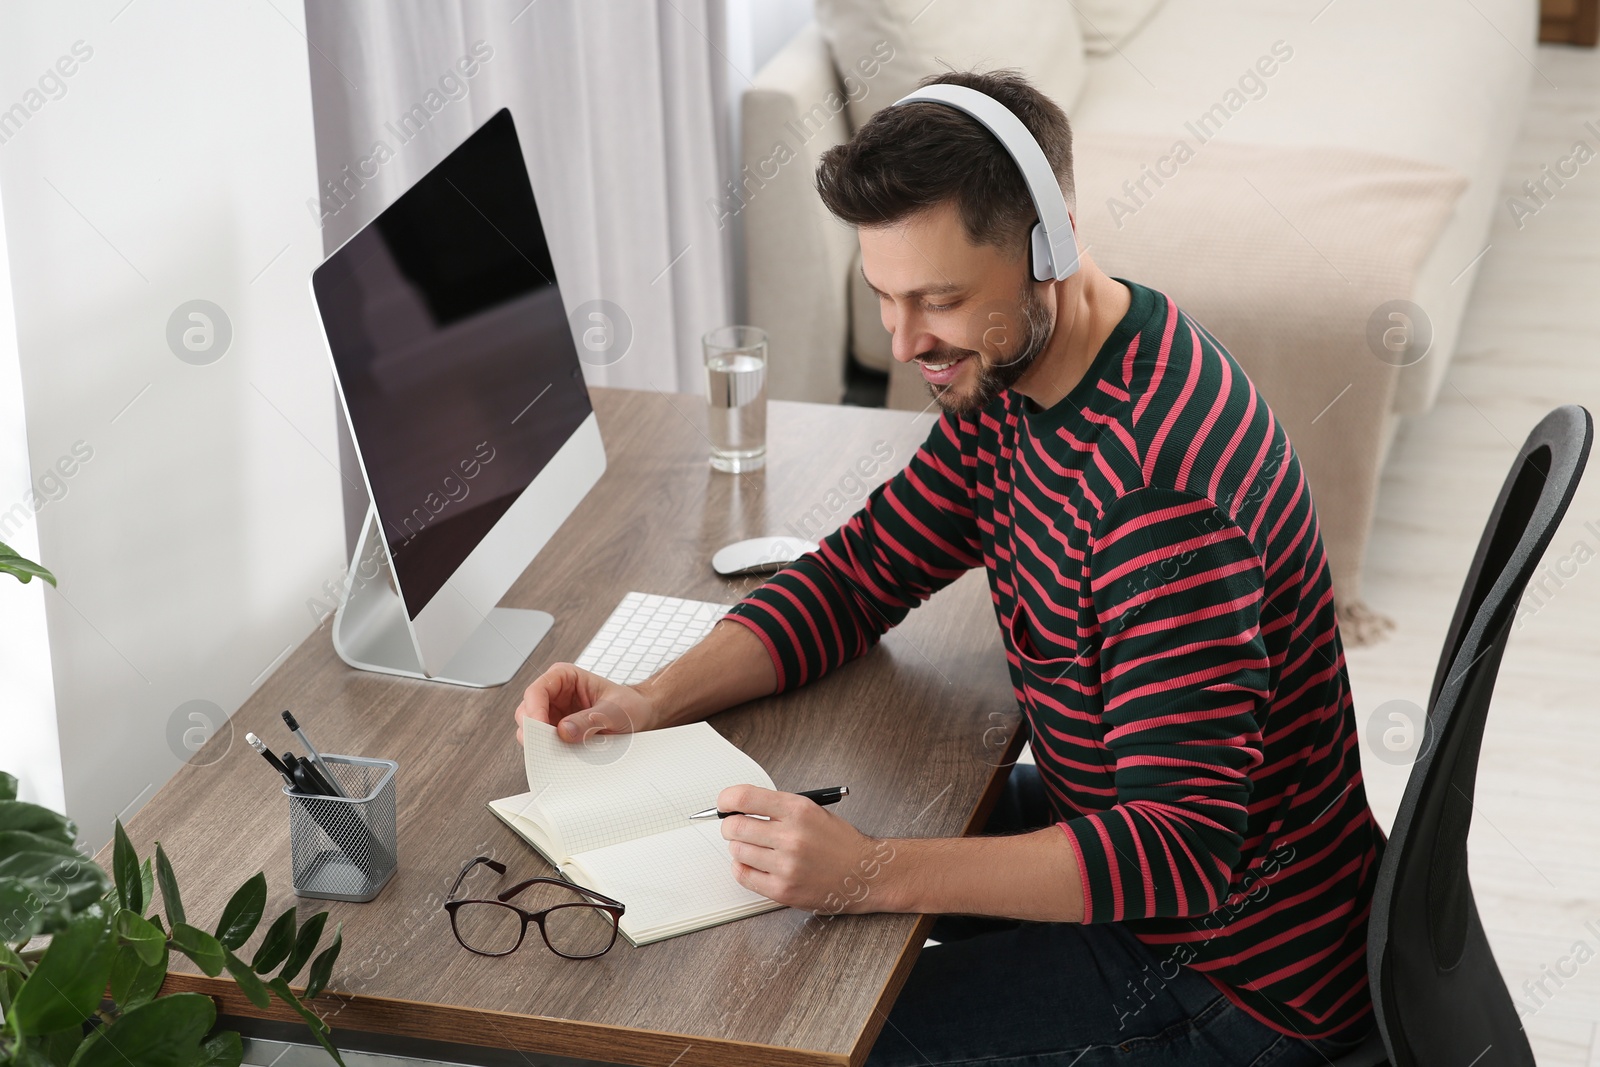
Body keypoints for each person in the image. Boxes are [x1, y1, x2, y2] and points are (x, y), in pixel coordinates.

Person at [515, 68, 1384, 1066]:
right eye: (884, 297)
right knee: (787, 854)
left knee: (786, 1038)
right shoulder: (1018, 375)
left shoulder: (1160, 493)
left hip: (1228, 980)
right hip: (1109, 826)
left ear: (1049, 247)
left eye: (939, 300)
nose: (905, 340)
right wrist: (646, 698)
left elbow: (1176, 855)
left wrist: (869, 873)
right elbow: (863, 570)